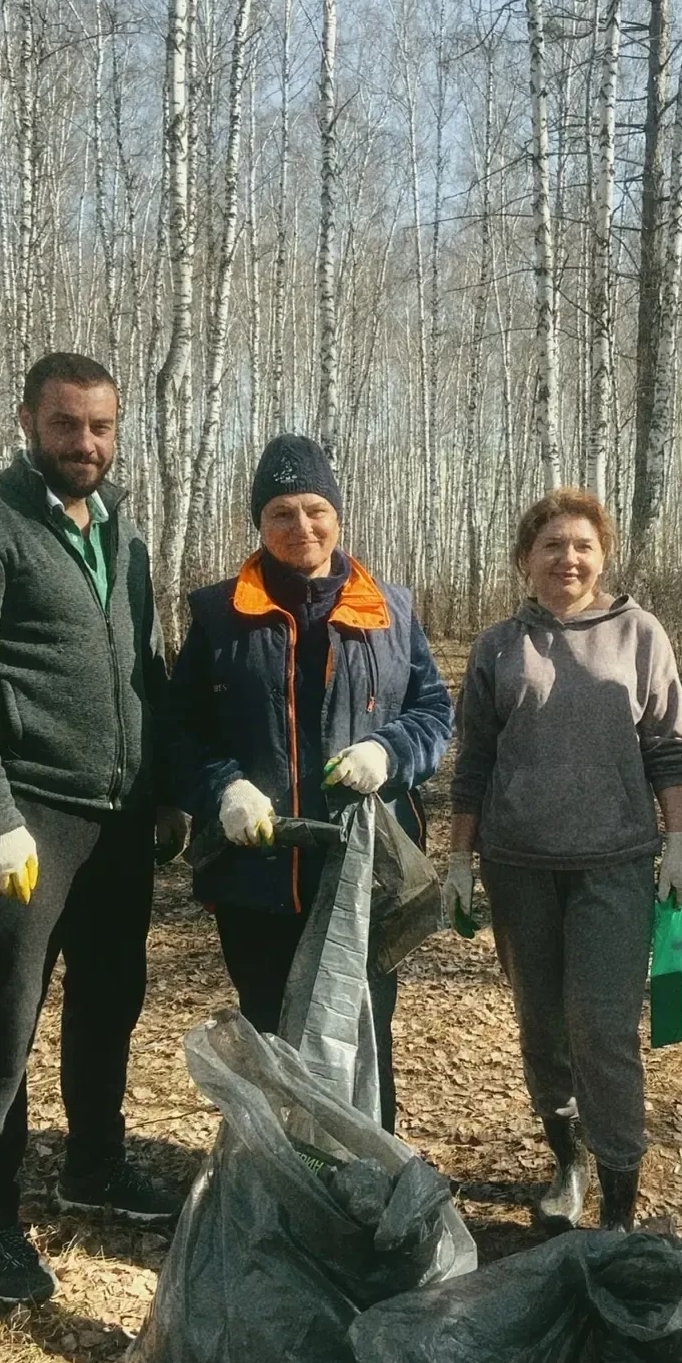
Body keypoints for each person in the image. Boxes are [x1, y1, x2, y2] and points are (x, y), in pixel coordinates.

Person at [0, 352, 187, 1306]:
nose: (86, 445)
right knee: (4, 1013)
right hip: (28, 818)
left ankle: (96, 1165)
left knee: (110, 999)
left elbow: (143, 672)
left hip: (116, 820)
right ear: (27, 420)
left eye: (102, 427)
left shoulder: (126, 537)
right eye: (67, 425)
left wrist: (163, 792)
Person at [164, 434, 453, 1129]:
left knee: (364, 1034)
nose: (302, 528)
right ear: (259, 524)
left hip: (365, 875)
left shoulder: (391, 609)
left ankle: (367, 1180)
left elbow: (435, 712)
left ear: (339, 515)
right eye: (281, 514)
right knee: (271, 1037)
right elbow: (178, 733)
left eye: (316, 510)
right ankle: (281, 1190)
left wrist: (390, 753)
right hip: (257, 877)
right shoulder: (217, 616)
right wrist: (223, 788)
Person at [443, 488, 682, 1234]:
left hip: (614, 861)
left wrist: (678, 839)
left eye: (582, 545)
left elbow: (668, 745)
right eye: (551, 545)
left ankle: (620, 1197)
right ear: (525, 559)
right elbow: (474, 762)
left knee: (603, 1027)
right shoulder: (498, 646)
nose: (568, 558)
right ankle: (567, 1160)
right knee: (543, 1026)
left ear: (603, 556)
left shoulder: (638, 633)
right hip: (518, 864)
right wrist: (458, 859)